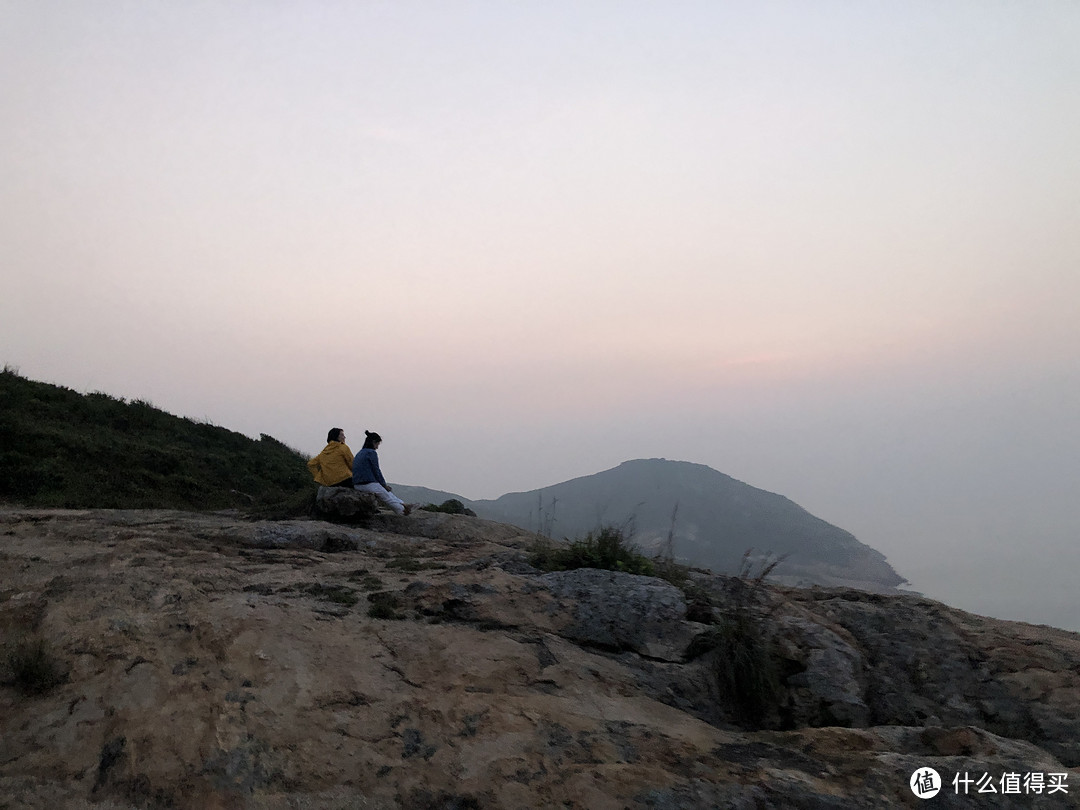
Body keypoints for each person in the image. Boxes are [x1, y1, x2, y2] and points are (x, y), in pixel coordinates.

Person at [352, 430, 411, 515]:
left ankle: (403, 504)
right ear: (373, 442)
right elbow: (376, 470)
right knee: (386, 496)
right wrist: (384, 484)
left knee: (387, 493)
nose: (377, 447)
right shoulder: (371, 453)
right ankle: (402, 510)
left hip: (357, 484)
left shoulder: (360, 453)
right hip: (367, 484)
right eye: (377, 444)